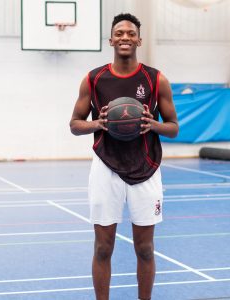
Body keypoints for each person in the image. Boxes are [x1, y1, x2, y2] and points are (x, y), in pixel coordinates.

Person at [70, 13, 179, 300]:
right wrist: (97, 123)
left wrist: (152, 124)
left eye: (131, 33)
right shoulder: (94, 79)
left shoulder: (156, 79)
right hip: (106, 167)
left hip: (146, 167)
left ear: (139, 40)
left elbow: (174, 128)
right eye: (119, 33)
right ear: (111, 40)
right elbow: (74, 124)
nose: (125, 37)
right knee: (103, 247)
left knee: (145, 248)